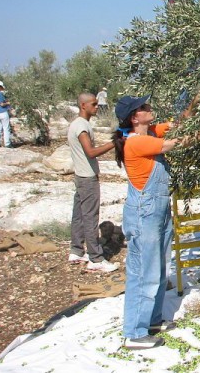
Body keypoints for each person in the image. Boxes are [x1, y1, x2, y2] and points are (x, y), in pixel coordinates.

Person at [114, 94, 200, 350]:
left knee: (161, 266)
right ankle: (134, 332)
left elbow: (179, 124)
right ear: (134, 117)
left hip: (158, 211)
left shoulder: (150, 132)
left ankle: (152, 321)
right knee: (144, 271)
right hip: (144, 213)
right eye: (144, 107)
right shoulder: (137, 142)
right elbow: (178, 142)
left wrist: (195, 103)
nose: (149, 108)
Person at [68, 93, 118, 272]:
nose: (97, 107)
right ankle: (96, 258)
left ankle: (76, 250)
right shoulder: (81, 126)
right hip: (87, 178)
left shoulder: (78, 124)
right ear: (83, 105)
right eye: (94, 104)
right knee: (90, 216)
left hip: (80, 175)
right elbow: (90, 152)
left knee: (79, 214)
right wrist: (115, 143)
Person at [0, 80, 12, 148]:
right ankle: (7, 144)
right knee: (6, 128)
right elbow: (2, 104)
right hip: (3, 112)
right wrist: (8, 103)